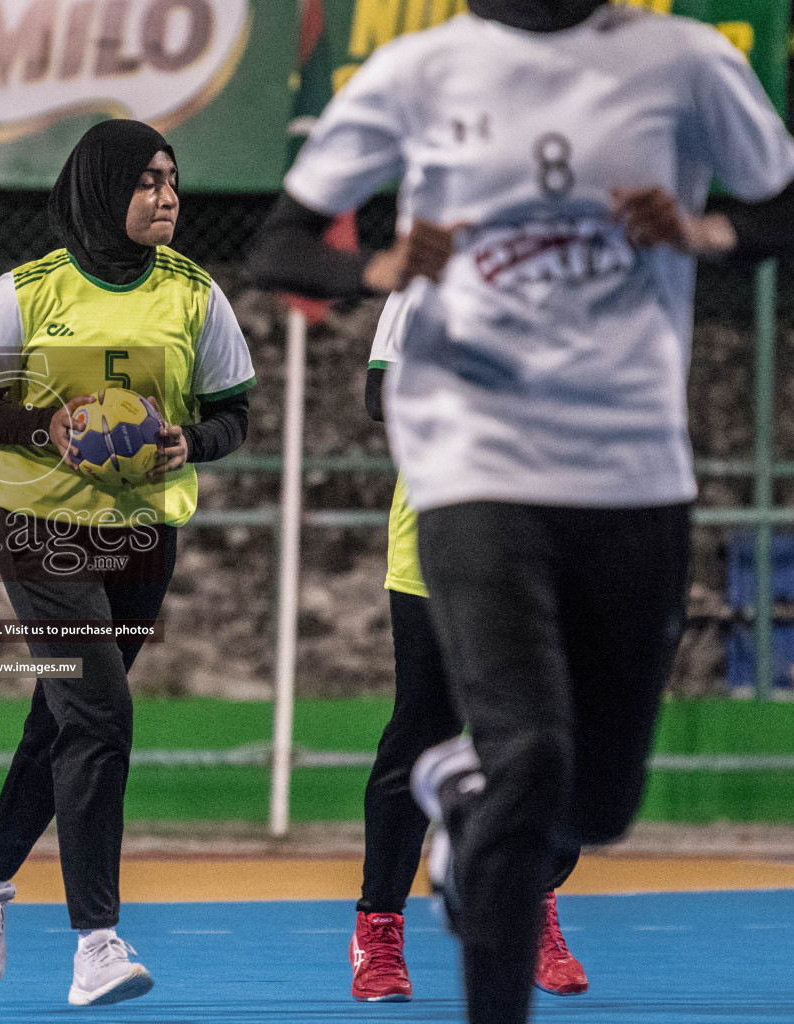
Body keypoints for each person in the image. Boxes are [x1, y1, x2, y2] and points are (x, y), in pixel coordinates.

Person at [247, 1, 794, 1022]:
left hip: (631, 472)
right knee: (532, 753)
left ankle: (463, 782)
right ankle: (426, 893)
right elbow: (277, 245)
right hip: (475, 469)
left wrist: (708, 229)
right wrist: (378, 267)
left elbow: (782, 203)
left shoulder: (683, 63)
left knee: (596, 800)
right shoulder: (421, 71)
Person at [0, 119, 255, 1008]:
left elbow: (235, 415)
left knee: (65, 719)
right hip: (42, 532)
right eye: (147, 181)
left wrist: (187, 441)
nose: (167, 197)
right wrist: (47, 428)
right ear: (100, 189)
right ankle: (97, 943)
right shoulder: (29, 292)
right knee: (102, 715)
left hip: (143, 534)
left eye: (173, 180)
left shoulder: (196, 295)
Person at [349, 292, 585, 1003]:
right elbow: (378, 394)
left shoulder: (585, 269)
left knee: (556, 734)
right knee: (423, 727)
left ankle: (533, 899)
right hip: (442, 531)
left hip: (557, 534)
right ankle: (379, 925)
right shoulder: (427, 278)